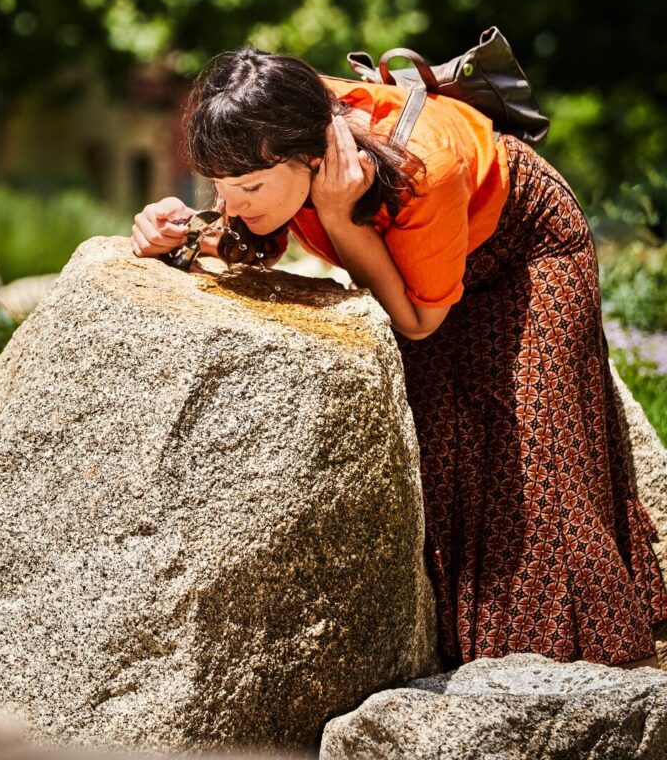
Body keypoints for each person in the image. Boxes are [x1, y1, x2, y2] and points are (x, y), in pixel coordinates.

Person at [131, 47, 667, 670]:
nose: (234, 203)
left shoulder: (420, 167)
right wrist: (180, 236)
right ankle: (458, 657)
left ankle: (584, 675)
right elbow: (258, 236)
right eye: (219, 188)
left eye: (247, 187)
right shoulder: (270, 134)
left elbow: (418, 320)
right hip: (425, 263)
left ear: (311, 157)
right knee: (440, 453)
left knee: (538, 467)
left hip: (526, 250)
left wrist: (338, 216)